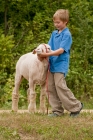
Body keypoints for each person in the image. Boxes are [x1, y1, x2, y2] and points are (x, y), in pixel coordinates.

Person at [38, 9, 83, 117]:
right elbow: (48, 47)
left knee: (60, 85)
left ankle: (76, 107)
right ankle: (57, 111)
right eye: (55, 22)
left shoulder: (67, 35)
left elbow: (61, 50)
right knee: (51, 87)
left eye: (58, 22)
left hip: (60, 64)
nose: (56, 24)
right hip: (52, 63)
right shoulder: (54, 34)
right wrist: (41, 51)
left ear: (65, 21)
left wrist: (47, 55)